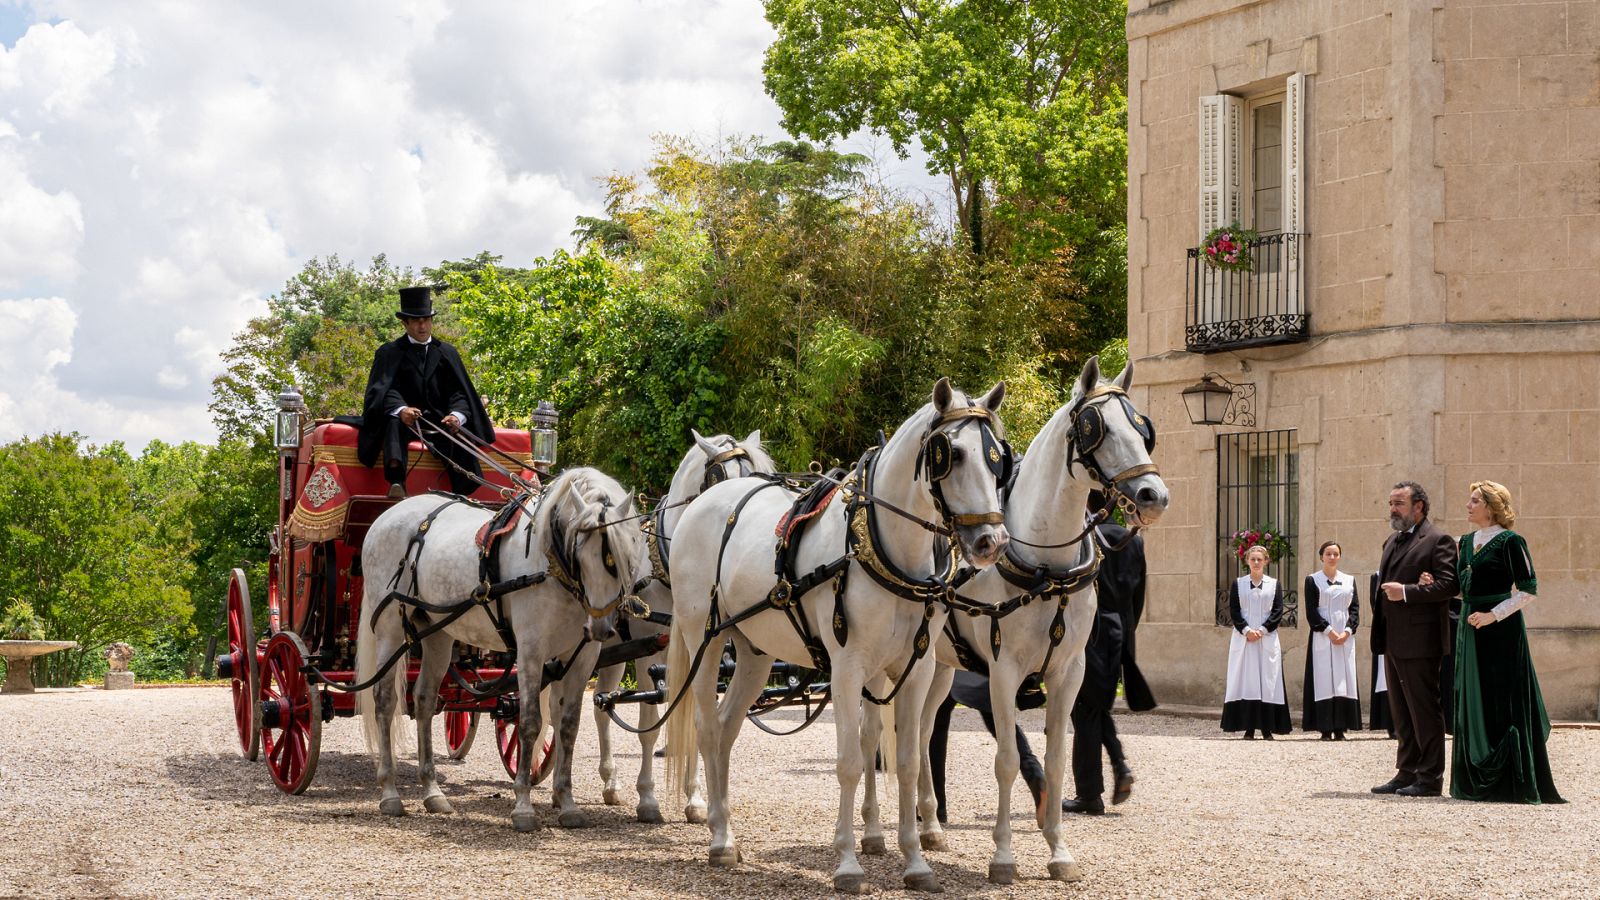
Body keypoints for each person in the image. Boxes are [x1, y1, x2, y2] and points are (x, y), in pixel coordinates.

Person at [1426, 481, 1564, 804]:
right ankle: (1474, 780)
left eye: (1474, 501)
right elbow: (1465, 588)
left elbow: (1528, 589)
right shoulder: (1466, 541)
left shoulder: (1511, 542)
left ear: (1491, 506)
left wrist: (1492, 615)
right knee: (1473, 698)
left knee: (1502, 698)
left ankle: (1509, 781)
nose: (1468, 505)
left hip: (1502, 632)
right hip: (1469, 631)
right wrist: (1437, 584)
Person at [358, 286, 494, 498]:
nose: (422, 325)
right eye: (416, 321)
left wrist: (456, 415)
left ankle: (465, 486)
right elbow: (383, 390)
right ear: (405, 323)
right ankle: (396, 479)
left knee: (455, 434)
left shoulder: (447, 352)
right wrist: (401, 409)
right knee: (393, 422)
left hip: (440, 421)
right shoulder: (389, 352)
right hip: (405, 421)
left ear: (431, 321)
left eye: (426, 320)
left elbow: (459, 392)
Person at [1064, 505, 1156, 815]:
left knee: (1084, 709)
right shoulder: (1134, 540)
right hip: (1122, 632)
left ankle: (1090, 794)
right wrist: (1127, 632)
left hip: (1092, 631)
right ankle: (1117, 764)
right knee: (1096, 705)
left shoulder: (1083, 536)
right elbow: (1139, 597)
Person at [1372, 481, 1457, 797]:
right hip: (1393, 639)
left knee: (1424, 710)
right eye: (1391, 502)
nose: (1392, 509)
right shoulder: (1392, 540)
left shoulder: (1438, 540)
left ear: (1419, 506)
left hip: (1421, 641)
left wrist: (1408, 592)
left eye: (1399, 503)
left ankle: (1430, 778)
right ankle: (1406, 771)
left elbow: (1448, 586)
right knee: (1402, 712)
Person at [927, 670, 1047, 823]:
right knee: (1002, 724)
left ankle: (937, 806)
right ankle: (1035, 773)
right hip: (986, 668)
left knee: (936, 726)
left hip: (954, 666)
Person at [1221, 544, 1291, 739]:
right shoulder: (1238, 584)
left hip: (1266, 638)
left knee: (1267, 681)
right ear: (1247, 562)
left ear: (1266, 561)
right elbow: (1234, 610)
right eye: (1253, 559)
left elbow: (1278, 611)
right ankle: (1249, 728)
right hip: (1244, 640)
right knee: (1246, 681)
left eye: (1260, 559)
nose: (1257, 562)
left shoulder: (1274, 584)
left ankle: (1267, 728)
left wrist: (1261, 630)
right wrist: (1246, 630)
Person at [1301, 541, 1360, 740]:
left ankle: (1341, 728)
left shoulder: (1349, 580)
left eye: (1335, 554)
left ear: (1340, 557)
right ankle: (1325, 727)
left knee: (1344, 679)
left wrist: (1347, 631)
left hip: (1344, 637)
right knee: (1324, 678)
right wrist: (1328, 631)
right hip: (1322, 636)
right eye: (1328, 554)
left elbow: (1354, 610)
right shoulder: (1312, 580)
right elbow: (1311, 611)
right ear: (1321, 557)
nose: (1332, 557)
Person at [1367, 572, 1395, 738]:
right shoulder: (1377, 576)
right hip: (1386, 629)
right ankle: (1390, 725)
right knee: (1386, 679)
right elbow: (1375, 603)